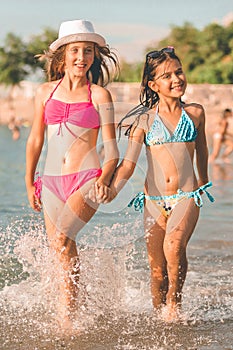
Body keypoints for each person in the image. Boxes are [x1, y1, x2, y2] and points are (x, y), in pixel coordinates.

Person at [98, 47, 214, 321]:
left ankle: (174, 305)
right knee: (157, 268)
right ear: (153, 85)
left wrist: (204, 179)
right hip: (153, 201)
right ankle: (157, 314)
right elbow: (128, 164)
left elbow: (203, 148)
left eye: (179, 71)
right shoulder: (144, 120)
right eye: (166, 76)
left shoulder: (195, 113)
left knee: (174, 247)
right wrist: (112, 189)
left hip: (187, 196)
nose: (176, 79)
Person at [25, 19, 119, 329]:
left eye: (88, 51)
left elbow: (112, 149)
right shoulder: (44, 92)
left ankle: (67, 319)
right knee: (60, 249)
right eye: (76, 50)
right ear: (63, 55)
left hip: (87, 179)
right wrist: (28, 183)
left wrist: (105, 179)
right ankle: (80, 303)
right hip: (50, 181)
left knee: (64, 238)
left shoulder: (100, 96)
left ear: (95, 56)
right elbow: (35, 140)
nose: (82, 57)